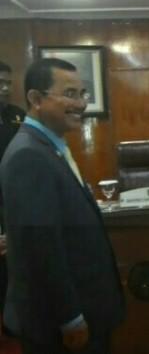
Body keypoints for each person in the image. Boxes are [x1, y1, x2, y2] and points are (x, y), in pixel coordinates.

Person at [0, 58, 125, 353]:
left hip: (82, 309)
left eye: (83, 94)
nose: (81, 104)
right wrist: (70, 318)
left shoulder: (47, 145)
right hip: (59, 323)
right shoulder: (29, 155)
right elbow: (41, 248)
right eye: (70, 94)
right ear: (36, 99)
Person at [0, 60, 26, 335]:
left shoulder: (18, 115)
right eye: (0, 83)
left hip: (15, 201)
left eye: (8, 83)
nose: (5, 88)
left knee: (15, 266)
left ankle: (12, 325)